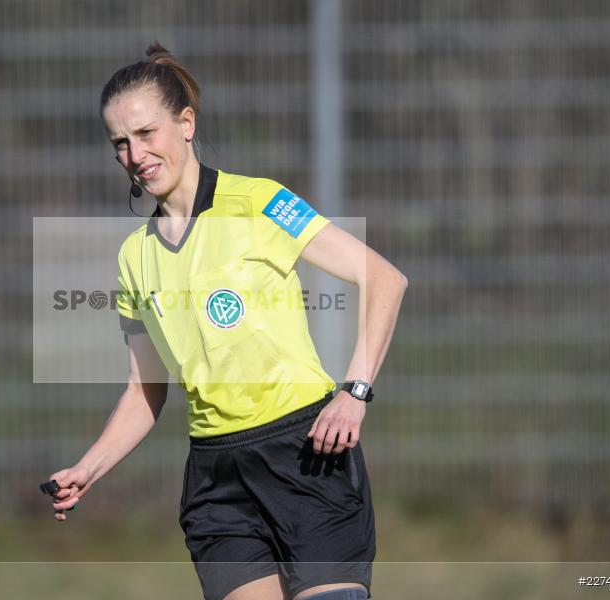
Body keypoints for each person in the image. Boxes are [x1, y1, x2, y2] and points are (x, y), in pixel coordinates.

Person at [48, 43, 407, 600]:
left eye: (147, 134)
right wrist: (88, 468)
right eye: (120, 142)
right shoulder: (132, 259)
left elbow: (383, 278)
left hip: (307, 456)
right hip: (218, 482)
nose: (135, 153)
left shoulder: (262, 202)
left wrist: (354, 391)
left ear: (186, 123)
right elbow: (146, 389)